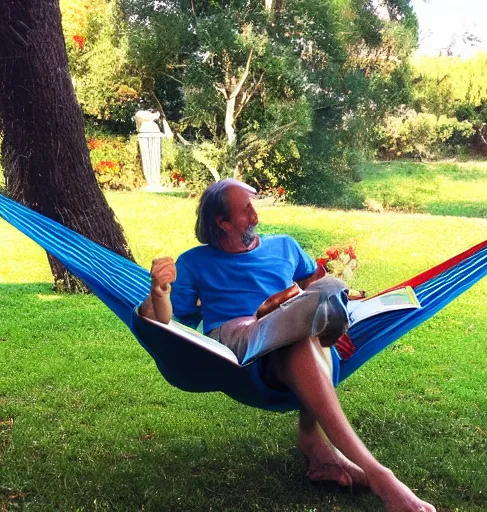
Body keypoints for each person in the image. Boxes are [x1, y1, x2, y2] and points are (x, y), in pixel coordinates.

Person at [140, 179, 436, 512]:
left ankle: (315, 439)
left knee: (309, 323)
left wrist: (322, 293)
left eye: (254, 206)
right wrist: (158, 293)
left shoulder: (285, 246)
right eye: (245, 209)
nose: (255, 216)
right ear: (222, 222)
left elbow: (313, 283)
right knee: (314, 308)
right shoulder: (195, 261)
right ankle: (380, 476)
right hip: (239, 344)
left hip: (294, 346)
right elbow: (164, 321)